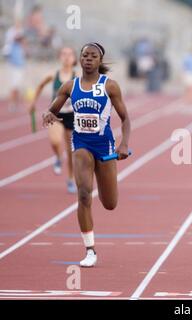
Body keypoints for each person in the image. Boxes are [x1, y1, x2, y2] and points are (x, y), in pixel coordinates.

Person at [43, 42, 131, 267]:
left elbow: (125, 119)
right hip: (81, 143)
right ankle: (90, 249)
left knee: (110, 203)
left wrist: (123, 144)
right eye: (85, 55)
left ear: (99, 61)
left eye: (93, 56)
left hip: (105, 146)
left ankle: (104, 185)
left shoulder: (110, 86)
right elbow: (52, 109)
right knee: (83, 194)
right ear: (80, 60)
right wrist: (48, 115)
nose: (88, 59)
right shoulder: (70, 86)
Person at [29, 47, 77, 193]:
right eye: (63, 54)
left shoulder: (78, 75)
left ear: (74, 59)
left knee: (71, 152)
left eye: (69, 54)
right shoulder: (53, 74)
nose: (66, 57)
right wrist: (33, 103)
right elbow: (40, 86)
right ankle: (57, 156)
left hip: (72, 115)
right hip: (55, 114)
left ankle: (70, 179)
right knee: (55, 141)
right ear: (59, 57)